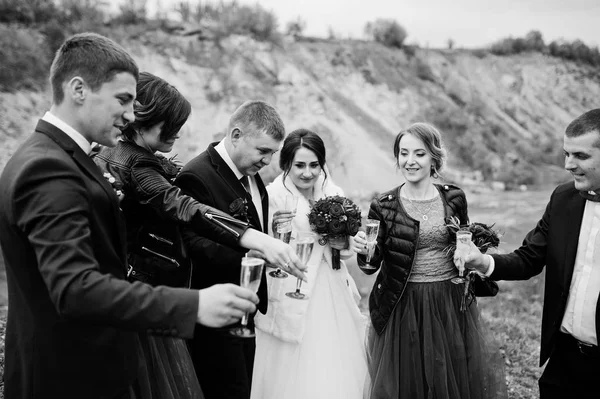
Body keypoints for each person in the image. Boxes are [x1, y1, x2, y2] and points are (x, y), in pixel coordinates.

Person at [0, 33, 260, 399]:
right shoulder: (47, 169)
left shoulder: (56, 156)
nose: (129, 115)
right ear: (78, 89)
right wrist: (194, 304)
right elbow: (76, 289)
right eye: (122, 100)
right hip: (69, 374)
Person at [92, 72, 304, 398]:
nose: (178, 133)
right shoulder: (137, 165)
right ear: (144, 119)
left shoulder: (120, 155)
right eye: (171, 124)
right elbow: (182, 206)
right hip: (152, 291)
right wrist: (254, 240)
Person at [352, 122, 507, 399]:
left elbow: (464, 244)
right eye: (403, 153)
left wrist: (473, 255)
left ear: (434, 157)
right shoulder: (383, 205)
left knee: (449, 375)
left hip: (449, 301)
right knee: (409, 381)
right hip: (403, 303)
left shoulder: (454, 197)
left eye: (419, 154)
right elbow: (370, 265)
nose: (410, 161)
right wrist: (364, 250)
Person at [461, 109, 600, 399]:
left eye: (581, 156)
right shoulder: (563, 199)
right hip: (563, 359)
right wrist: (481, 261)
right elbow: (528, 259)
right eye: (566, 154)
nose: (568, 164)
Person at [174, 100, 288, 399]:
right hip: (216, 314)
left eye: (272, 154)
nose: (268, 161)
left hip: (244, 311)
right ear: (236, 135)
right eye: (263, 151)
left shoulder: (250, 173)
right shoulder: (196, 175)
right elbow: (192, 245)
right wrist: (251, 257)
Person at [249, 128, 368, 398]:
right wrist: (277, 233)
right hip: (293, 287)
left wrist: (346, 243)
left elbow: (345, 247)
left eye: (314, 165)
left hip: (332, 287)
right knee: (292, 365)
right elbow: (262, 246)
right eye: (299, 165)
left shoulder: (332, 191)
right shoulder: (273, 196)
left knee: (334, 359)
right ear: (286, 164)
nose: (307, 172)